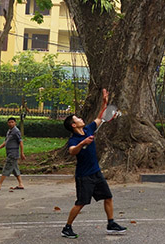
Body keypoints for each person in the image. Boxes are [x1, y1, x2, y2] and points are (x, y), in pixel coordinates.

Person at [61, 88, 127, 238]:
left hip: (96, 172)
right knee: (81, 203)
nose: (80, 119)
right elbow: (72, 151)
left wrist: (104, 103)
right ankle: (67, 227)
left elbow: (100, 118)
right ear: (73, 125)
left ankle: (111, 224)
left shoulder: (89, 128)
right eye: (77, 118)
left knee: (108, 197)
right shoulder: (74, 140)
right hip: (84, 176)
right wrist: (82, 143)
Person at [0, 117, 26, 190]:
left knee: (6, 168)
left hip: (13, 153)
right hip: (9, 152)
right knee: (15, 169)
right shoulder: (9, 131)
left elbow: (21, 142)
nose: (11, 124)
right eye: (9, 122)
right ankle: (21, 184)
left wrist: (22, 153)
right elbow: (6, 142)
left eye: (12, 122)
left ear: (15, 123)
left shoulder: (16, 131)